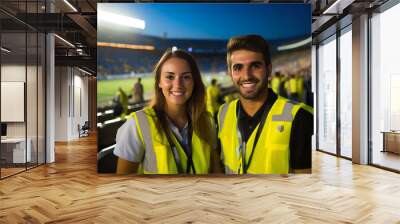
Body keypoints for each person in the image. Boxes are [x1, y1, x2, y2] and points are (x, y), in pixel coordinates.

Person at [114, 49, 221, 174]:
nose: (178, 84)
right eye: (170, 77)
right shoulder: (137, 125)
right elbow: (124, 185)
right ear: (159, 82)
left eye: (186, 77)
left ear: (194, 82)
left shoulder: (207, 121)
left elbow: (216, 170)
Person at [218, 35, 313, 174]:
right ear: (230, 73)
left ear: (268, 70)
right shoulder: (223, 113)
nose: (246, 75)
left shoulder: (300, 118)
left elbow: (307, 188)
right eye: (238, 67)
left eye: (255, 66)